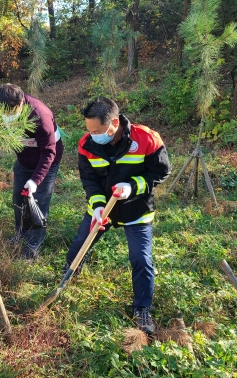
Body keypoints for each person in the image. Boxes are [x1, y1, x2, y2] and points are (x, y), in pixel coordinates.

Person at [62, 97, 171, 335]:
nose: (92, 135)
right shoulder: (86, 144)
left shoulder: (147, 139)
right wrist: (99, 207)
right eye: (88, 130)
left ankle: (142, 308)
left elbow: (161, 172)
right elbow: (89, 180)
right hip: (103, 208)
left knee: (141, 259)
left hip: (136, 209)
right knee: (81, 243)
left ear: (113, 122)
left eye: (97, 131)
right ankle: (67, 276)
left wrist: (132, 187)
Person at [0, 83, 64, 260]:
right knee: (18, 198)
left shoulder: (40, 115)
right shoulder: (0, 108)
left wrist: (35, 180)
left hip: (47, 160)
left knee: (37, 201)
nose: (5, 116)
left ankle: (33, 246)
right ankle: (21, 235)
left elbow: (49, 152)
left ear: (19, 104)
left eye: (9, 112)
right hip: (24, 160)